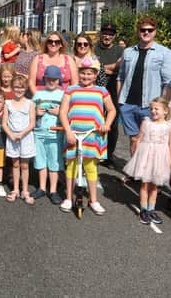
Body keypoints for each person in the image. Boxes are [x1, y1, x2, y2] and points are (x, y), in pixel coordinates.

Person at [59, 57, 116, 215]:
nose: (86, 76)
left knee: (90, 167)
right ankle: (69, 198)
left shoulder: (101, 91)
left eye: (89, 74)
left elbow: (111, 110)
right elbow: (63, 112)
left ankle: (94, 200)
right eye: (83, 73)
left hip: (92, 136)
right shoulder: (71, 89)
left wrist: (107, 124)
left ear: (95, 74)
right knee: (71, 166)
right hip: (73, 135)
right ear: (79, 73)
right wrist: (68, 131)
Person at [117, 16, 171, 157]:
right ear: (138, 31)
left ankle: (147, 175)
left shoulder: (165, 53)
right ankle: (135, 174)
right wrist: (120, 100)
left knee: (149, 142)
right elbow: (121, 77)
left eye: (150, 30)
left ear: (155, 31)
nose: (146, 33)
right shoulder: (128, 52)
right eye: (143, 30)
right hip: (128, 104)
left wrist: (163, 106)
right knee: (134, 140)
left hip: (150, 106)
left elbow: (168, 82)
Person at [122, 97, 171, 225]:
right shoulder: (146, 122)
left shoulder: (169, 127)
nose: (153, 111)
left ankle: (152, 209)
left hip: (160, 158)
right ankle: (143, 210)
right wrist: (136, 155)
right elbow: (139, 138)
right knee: (145, 184)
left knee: (155, 186)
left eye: (156, 109)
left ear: (165, 111)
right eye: (151, 109)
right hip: (146, 156)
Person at [31, 66, 65, 204]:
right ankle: (42, 188)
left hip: (55, 133)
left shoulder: (63, 95)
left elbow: (69, 113)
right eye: (49, 78)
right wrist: (36, 112)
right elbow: (30, 110)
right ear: (44, 79)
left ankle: (53, 190)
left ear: (59, 80)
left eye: (54, 79)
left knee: (54, 162)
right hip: (39, 133)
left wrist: (60, 112)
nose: (51, 81)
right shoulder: (38, 94)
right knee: (41, 161)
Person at [2, 75, 36, 205]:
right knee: (15, 164)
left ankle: (25, 190)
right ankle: (15, 189)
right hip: (12, 138)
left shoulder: (30, 103)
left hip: (26, 137)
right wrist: (11, 134)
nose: (19, 90)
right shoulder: (8, 103)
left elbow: (32, 123)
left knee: (25, 165)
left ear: (26, 88)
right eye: (16, 87)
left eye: (21, 87)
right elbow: (4, 123)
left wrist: (22, 134)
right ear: (12, 88)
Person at [94, 23, 123, 168]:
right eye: (105, 33)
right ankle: (94, 151)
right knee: (94, 119)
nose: (107, 36)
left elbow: (119, 67)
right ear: (101, 34)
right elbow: (91, 66)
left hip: (113, 87)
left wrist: (100, 68)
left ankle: (108, 156)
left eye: (111, 34)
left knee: (112, 122)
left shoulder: (120, 50)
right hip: (95, 87)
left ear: (114, 36)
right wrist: (110, 68)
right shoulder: (93, 48)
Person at [28, 31, 78, 96]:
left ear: (61, 44)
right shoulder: (37, 59)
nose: (53, 44)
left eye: (57, 42)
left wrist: (66, 100)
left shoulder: (69, 60)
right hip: (41, 99)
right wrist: (39, 98)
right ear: (46, 43)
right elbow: (31, 83)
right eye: (50, 41)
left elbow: (74, 84)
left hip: (64, 99)